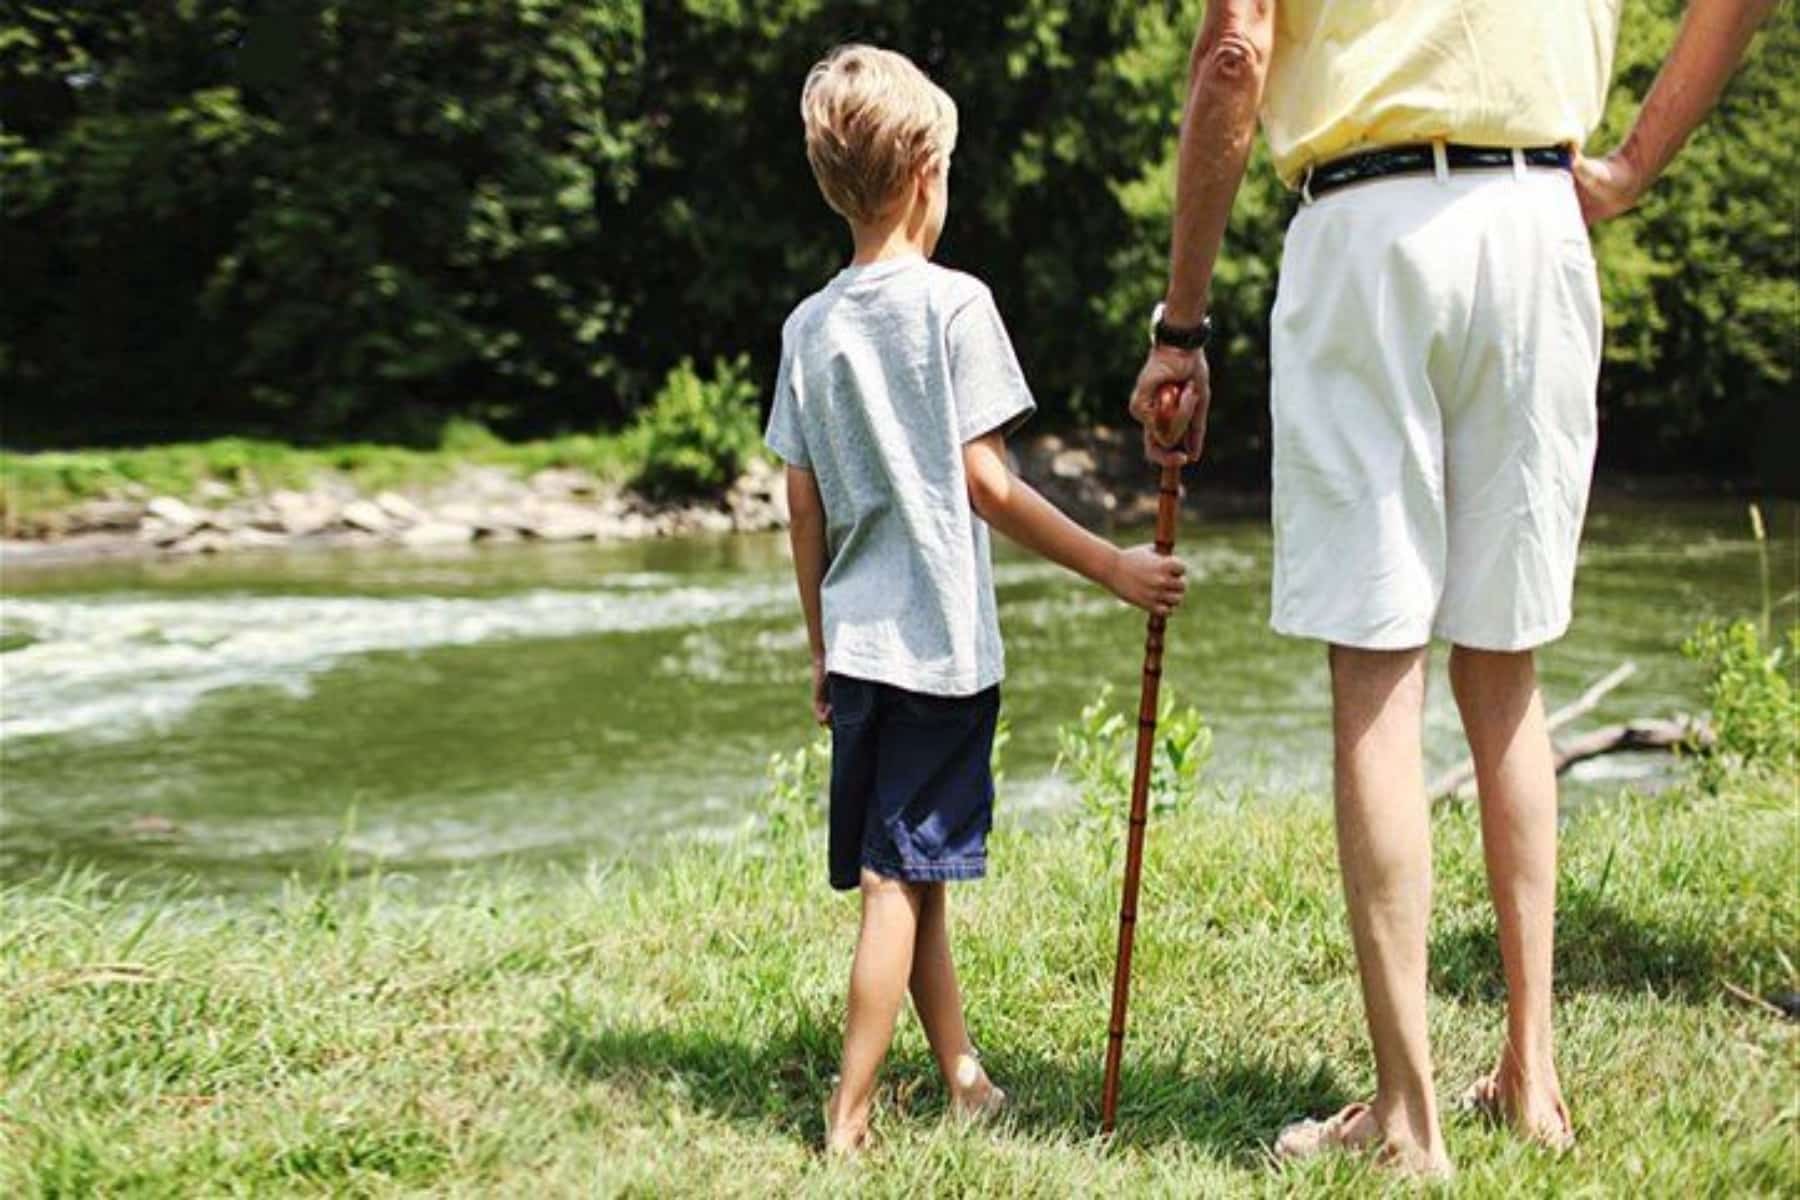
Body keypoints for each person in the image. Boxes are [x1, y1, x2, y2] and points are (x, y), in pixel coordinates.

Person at [1127, 0, 1776, 1178]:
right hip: (1538, 222)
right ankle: (1532, 1075)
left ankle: (1410, 1118)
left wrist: (1182, 322)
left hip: (1366, 231)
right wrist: (1632, 167)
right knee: (1505, 659)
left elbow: (1235, 51)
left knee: (1378, 669)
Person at [769, 43, 1189, 1154]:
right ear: (925, 177)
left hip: (860, 649)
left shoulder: (807, 330)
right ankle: (849, 1121)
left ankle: (961, 1074)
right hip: (941, 656)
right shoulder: (957, 306)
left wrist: (819, 649)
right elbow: (990, 484)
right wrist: (1115, 568)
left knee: (918, 867)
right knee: (893, 885)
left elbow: (802, 512)